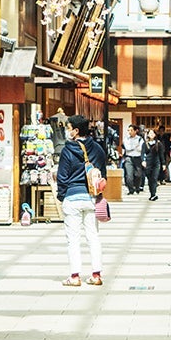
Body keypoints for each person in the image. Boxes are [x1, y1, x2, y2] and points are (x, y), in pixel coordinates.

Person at [56, 114, 106, 286]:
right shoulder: (98, 149)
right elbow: (102, 176)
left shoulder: (67, 150)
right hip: (91, 199)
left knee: (73, 239)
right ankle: (96, 275)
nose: (67, 131)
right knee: (93, 237)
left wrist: (62, 197)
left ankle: (75, 276)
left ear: (76, 131)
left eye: (69, 128)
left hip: (72, 198)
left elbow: (62, 178)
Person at [122, 125, 144, 195]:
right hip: (129, 157)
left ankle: (137, 187)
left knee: (138, 174)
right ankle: (130, 189)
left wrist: (134, 147)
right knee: (129, 175)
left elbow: (140, 148)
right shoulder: (126, 139)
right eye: (128, 130)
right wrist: (135, 146)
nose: (129, 132)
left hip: (138, 158)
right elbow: (127, 148)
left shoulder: (140, 139)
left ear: (135, 131)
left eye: (131, 130)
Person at [144, 127, 161, 201]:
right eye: (150, 133)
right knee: (150, 179)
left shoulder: (158, 143)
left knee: (154, 178)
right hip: (148, 163)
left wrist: (163, 164)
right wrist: (143, 160)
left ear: (155, 134)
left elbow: (161, 154)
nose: (151, 134)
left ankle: (154, 194)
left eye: (152, 133)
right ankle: (152, 193)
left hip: (156, 163)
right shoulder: (145, 144)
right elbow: (142, 153)